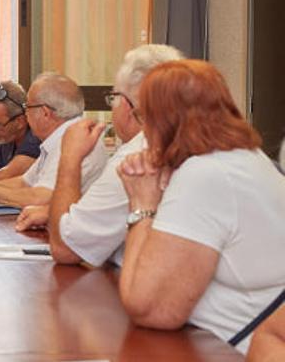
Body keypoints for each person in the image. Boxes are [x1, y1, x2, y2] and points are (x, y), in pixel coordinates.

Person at [115, 60, 285, 354]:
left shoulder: (206, 174)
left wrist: (142, 203)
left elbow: (150, 308)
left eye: (144, 117)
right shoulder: (244, 157)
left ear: (163, 120)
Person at [15, 45, 184, 268]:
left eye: (113, 97)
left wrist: (70, 158)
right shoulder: (186, 142)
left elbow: (65, 249)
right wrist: (52, 213)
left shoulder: (135, 159)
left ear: (126, 103)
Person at [0, 73, 108, 208]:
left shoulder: (75, 140)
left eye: (27, 107)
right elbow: (24, 182)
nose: (25, 114)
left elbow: (40, 198)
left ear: (45, 113)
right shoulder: (54, 141)